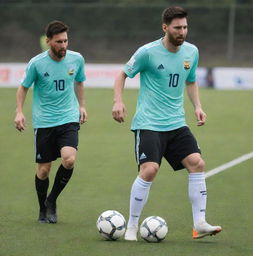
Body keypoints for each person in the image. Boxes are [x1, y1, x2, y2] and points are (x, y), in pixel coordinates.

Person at [112, 6, 222, 240]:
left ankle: (199, 223)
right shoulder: (147, 52)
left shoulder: (191, 52)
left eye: (185, 27)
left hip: (176, 123)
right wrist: (118, 102)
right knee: (149, 170)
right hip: (149, 123)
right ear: (165, 28)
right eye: (177, 27)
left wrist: (198, 107)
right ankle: (131, 226)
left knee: (197, 163)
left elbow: (190, 81)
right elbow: (122, 74)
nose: (182, 31)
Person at [14, 20, 87, 224]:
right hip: (44, 122)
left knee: (69, 159)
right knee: (44, 170)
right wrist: (19, 112)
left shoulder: (77, 59)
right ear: (48, 42)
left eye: (65, 41)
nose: (63, 45)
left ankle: (52, 201)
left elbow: (80, 81)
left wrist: (82, 106)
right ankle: (42, 209)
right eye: (58, 42)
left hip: (68, 118)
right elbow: (23, 88)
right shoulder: (36, 63)